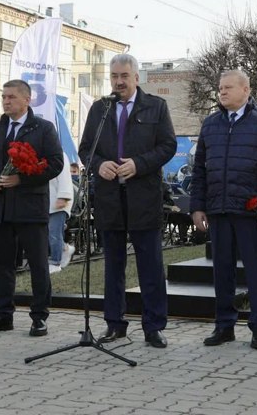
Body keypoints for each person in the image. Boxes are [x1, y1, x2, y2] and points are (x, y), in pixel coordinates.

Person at [79, 54, 177, 348]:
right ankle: (114, 323)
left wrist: (139, 164)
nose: (119, 82)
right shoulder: (101, 109)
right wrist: (99, 165)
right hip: (109, 199)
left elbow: (168, 145)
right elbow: (86, 149)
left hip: (143, 197)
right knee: (113, 266)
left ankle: (153, 326)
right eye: (114, 76)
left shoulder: (155, 107)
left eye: (124, 76)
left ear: (137, 78)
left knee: (150, 266)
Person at [191, 70, 257, 349]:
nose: (222, 92)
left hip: (251, 212)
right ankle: (224, 326)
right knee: (221, 271)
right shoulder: (210, 125)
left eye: (228, 87)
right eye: (220, 88)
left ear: (246, 90)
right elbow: (200, 170)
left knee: (255, 271)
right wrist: (198, 207)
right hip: (219, 210)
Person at [0, 80, 63, 336]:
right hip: (0, 208)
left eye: (11, 96)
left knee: (37, 264)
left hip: (29, 208)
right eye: (4, 96)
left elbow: (55, 163)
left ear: (27, 99)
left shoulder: (43, 129)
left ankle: (39, 316)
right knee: (4, 265)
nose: (6, 101)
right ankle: (2, 314)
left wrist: (22, 179)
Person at [48, 152, 75, 271]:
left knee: (54, 233)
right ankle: (64, 248)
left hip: (58, 200)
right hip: (46, 201)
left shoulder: (60, 153)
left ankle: (55, 263)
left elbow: (65, 178)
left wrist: (63, 197)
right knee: (48, 233)